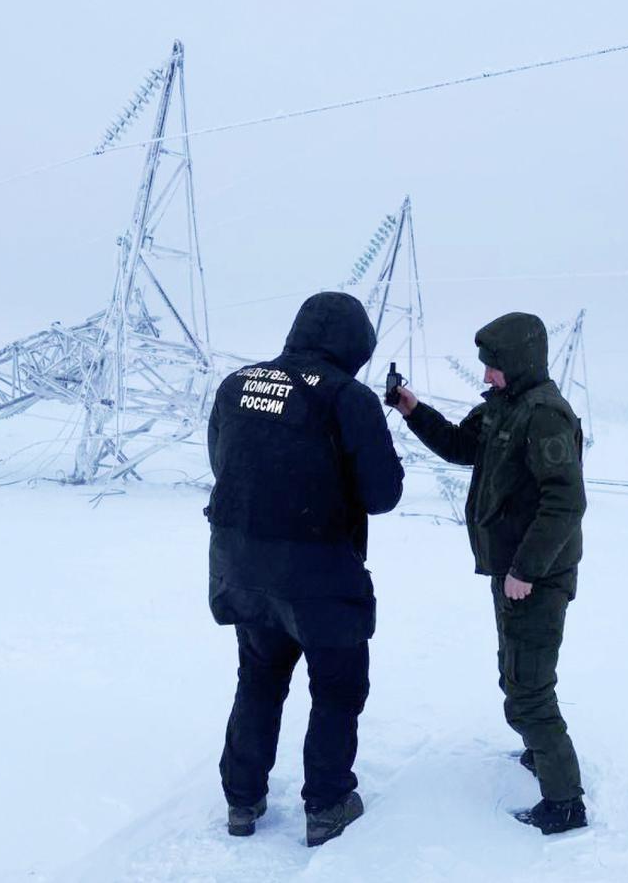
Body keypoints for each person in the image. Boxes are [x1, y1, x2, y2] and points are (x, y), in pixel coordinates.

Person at [205, 291, 404, 846]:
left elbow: (223, 462)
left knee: (259, 678)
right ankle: (328, 803)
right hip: (319, 575)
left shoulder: (238, 384)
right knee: (338, 688)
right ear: (354, 344)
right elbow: (382, 493)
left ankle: (242, 802)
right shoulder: (349, 398)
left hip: (241, 564)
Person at [391, 311, 588, 835]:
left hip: (536, 577)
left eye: (493, 367)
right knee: (514, 671)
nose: (486, 377)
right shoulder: (507, 406)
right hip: (512, 573)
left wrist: (525, 568)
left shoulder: (545, 415)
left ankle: (565, 804)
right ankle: (539, 752)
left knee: (529, 688)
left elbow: (566, 502)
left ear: (519, 361)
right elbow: (460, 446)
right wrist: (412, 409)